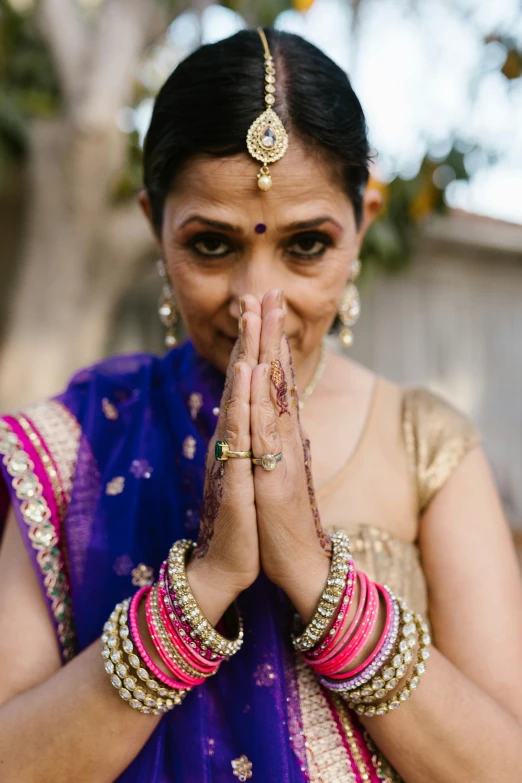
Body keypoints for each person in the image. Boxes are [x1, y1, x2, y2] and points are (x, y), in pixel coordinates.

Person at [0, 26, 521, 783]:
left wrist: (314, 575)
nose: (258, 301)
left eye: (306, 245)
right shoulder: (79, 442)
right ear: (154, 226)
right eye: (212, 246)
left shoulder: (426, 444)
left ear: (363, 223)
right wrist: (203, 586)